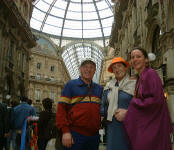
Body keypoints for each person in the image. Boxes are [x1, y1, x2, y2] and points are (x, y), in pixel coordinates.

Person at [123, 47, 173, 150]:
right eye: (132, 57)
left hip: (154, 126)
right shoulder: (140, 78)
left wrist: (133, 104)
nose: (135, 59)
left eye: (138, 56)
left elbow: (156, 101)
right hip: (147, 124)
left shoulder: (151, 74)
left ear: (146, 60)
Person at [56, 58, 103, 150]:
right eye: (85, 67)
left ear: (94, 71)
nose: (88, 70)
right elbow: (61, 109)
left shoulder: (99, 89)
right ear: (80, 69)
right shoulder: (71, 85)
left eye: (91, 67)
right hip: (75, 135)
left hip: (94, 136)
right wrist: (65, 132)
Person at [100, 57, 136, 150]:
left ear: (125, 68)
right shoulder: (109, 86)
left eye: (119, 66)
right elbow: (103, 105)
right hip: (112, 126)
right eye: (114, 68)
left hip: (130, 125)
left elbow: (142, 105)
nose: (117, 69)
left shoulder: (134, 84)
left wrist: (128, 112)